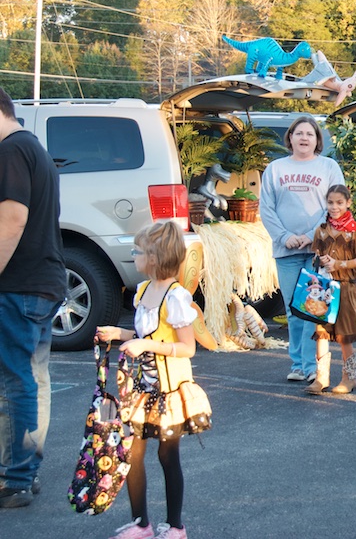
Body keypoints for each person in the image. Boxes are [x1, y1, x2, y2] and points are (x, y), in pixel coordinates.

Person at [97, 221, 211, 539]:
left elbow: (187, 348)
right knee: (131, 453)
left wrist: (144, 344)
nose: (134, 256)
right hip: (142, 388)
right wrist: (119, 334)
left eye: (138, 251)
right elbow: (146, 334)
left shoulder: (176, 297)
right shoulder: (144, 291)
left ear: (155, 257)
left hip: (169, 390)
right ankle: (141, 524)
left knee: (166, 455)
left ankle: (176, 527)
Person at [0, 87, 65, 509]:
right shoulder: (33, 147)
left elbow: (12, 220)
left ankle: (16, 478)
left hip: (19, 284)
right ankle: (26, 473)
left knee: (15, 383)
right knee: (33, 381)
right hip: (42, 281)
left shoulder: (10, 151)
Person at [261, 115, 345, 383]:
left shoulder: (328, 166)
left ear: (317, 139)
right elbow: (266, 208)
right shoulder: (275, 169)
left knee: (313, 307)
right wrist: (284, 236)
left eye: (310, 133)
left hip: (316, 252)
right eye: (299, 133)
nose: (304, 138)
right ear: (290, 138)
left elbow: (336, 205)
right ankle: (297, 364)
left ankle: (313, 365)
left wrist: (312, 236)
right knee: (292, 310)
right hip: (286, 251)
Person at [305, 185, 356, 394]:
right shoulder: (321, 230)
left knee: (344, 334)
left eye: (339, 203)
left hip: (346, 288)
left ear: (348, 203)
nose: (334, 207)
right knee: (321, 331)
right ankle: (321, 377)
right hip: (324, 289)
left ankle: (349, 378)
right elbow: (315, 254)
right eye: (330, 202)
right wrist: (320, 259)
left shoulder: (354, 231)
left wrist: (339, 264)